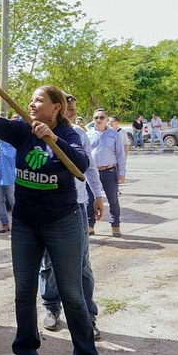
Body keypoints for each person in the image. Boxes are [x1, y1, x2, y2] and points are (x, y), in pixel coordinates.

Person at [0, 62, 105, 355]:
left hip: (63, 223)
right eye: (30, 100)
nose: (32, 105)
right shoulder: (22, 129)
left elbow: (81, 164)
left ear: (57, 107)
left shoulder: (70, 134)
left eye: (39, 100)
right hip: (26, 224)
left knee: (72, 296)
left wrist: (53, 137)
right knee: (23, 294)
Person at [39, 93, 105, 339]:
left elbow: (88, 167)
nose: (73, 113)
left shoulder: (79, 135)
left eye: (74, 109)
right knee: (48, 265)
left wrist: (97, 195)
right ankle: (51, 308)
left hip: (76, 206)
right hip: (47, 207)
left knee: (82, 265)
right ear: (56, 109)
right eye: (68, 109)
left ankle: (88, 317)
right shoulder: (38, 134)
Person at [86, 108, 126, 237]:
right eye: (96, 118)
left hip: (109, 171)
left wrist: (122, 171)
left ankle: (115, 226)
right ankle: (90, 226)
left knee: (113, 200)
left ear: (107, 120)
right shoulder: (88, 135)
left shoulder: (114, 135)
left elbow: (120, 154)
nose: (98, 120)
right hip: (92, 173)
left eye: (101, 117)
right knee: (89, 200)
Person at [0, 130, 16, 234]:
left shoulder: (11, 143)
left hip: (10, 177)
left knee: (13, 201)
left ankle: (17, 223)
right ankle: (4, 224)